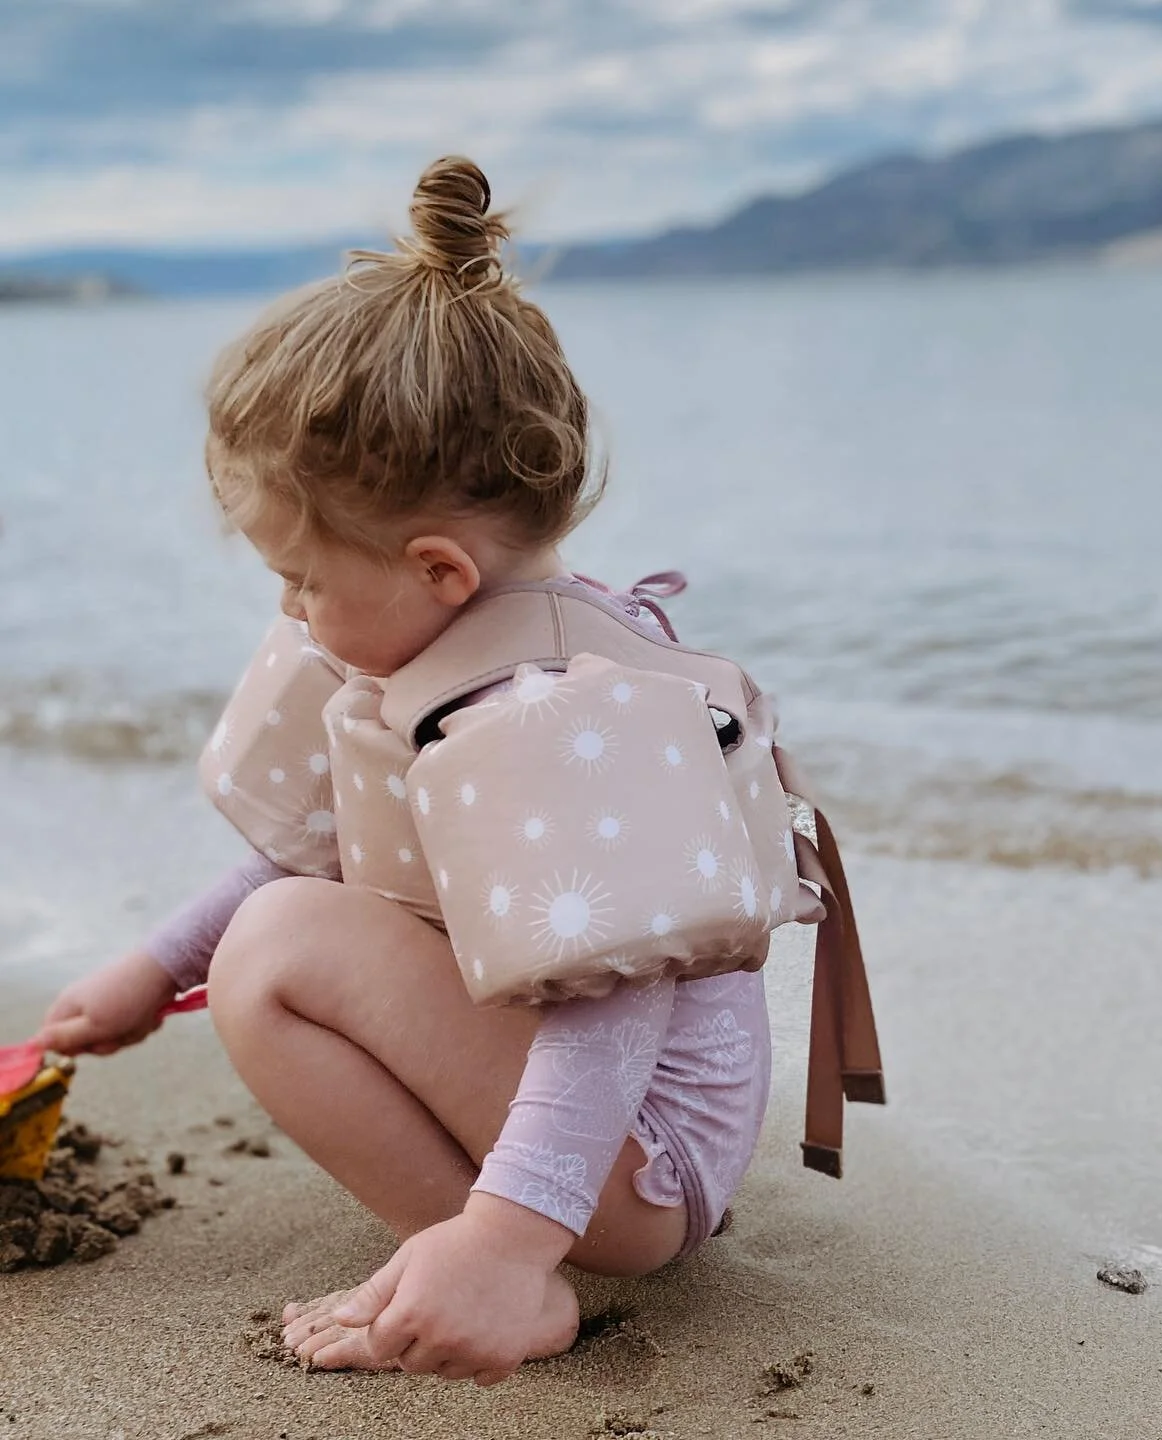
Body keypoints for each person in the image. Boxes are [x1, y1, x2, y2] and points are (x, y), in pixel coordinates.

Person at [36, 156, 781, 1386]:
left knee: (274, 955)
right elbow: (325, 849)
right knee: (273, 921)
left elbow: (613, 998)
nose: (289, 612)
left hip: (634, 1164)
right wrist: (151, 968)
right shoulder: (448, 661)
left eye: (302, 583)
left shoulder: (550, 708)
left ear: (439, 569)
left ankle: (494, 1273)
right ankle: (503, 1243)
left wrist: (505, 1239)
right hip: (615, 1149)